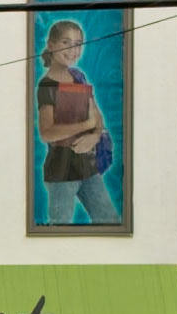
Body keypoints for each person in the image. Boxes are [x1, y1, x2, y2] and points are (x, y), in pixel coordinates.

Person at [36, 20, 119, 226]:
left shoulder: (78, 76)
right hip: (62, 171)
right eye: (66, 42)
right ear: (51, 44)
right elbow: (46, 133)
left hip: (88, 167)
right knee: (61, 225)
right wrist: (85, 125)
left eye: (78, 43)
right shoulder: (47, 85)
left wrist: (94, 134)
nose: (73, 50)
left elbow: (97, 116)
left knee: (109, 220)